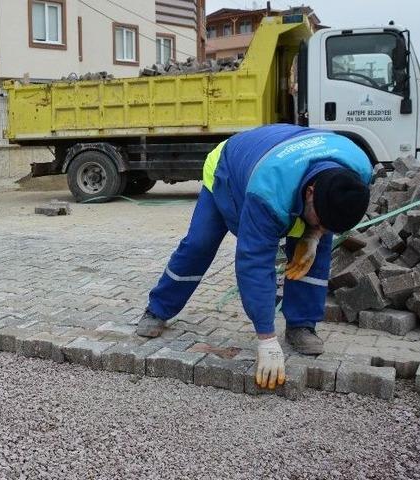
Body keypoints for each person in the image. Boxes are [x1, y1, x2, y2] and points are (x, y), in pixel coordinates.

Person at [135, 124, 371, 390]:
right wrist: (266, 338)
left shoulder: (357, 169)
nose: (323, 229)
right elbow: (254, 263)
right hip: (229, 169)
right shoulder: (268, 191)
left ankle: (302, 325)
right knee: (199, 244)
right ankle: (157, 309)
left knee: (314, 255)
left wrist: (315, 235)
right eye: (322, 221)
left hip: (282, 161)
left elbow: (325, 219)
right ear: (310, 192)